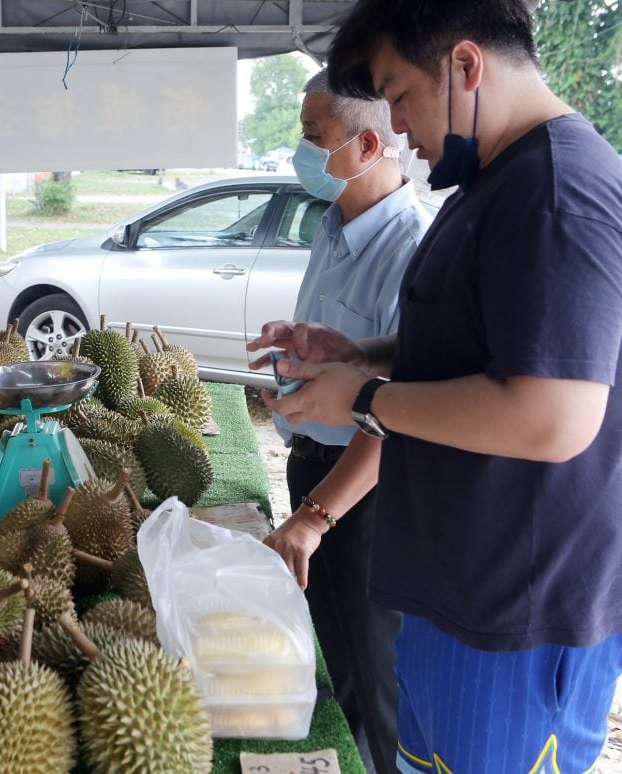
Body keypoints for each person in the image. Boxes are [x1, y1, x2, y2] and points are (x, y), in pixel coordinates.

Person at [264, 1, 622, 771]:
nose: (396, 127)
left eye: (397, 95)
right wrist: (360, 354)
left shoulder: (556, 193)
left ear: (465, 66)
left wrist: (362, 401)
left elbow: (552, 416)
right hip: (456, 590)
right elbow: (476, 345)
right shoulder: (495, 182)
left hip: (513, 618)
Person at [247, 68, 431, 774]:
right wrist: (303, 340)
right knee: (327, 645)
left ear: (368, 145)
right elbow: (357, 357)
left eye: (313, 138)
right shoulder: (332, 223)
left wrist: (315, 517)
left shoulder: (412, 247)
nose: (301, 152)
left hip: (363, 496)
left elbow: (400, 411)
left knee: (370, 672)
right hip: (311, 469)